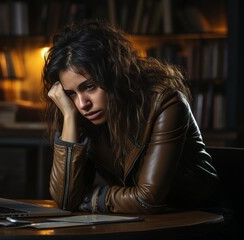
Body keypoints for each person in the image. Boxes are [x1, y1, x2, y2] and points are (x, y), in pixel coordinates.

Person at [40, 19, 220, 215]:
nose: (82, 104)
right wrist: (68, 115)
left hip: (202, 218)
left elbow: (147, 200)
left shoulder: (165, 103)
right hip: (142, 223)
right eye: (71, 94)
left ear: (114, 75)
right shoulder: (78, 115)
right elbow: (65, 201)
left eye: (90, 86)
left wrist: (87, 198)